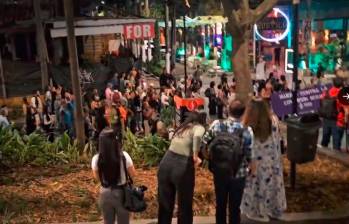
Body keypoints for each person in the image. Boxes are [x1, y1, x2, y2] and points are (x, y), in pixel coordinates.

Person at [202, 100, 254, 224]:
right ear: (243, 114)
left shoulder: (216, 125)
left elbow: (204, 143)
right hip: (238, 174)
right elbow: (250, 155)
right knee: (235, 208)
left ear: (228, 110)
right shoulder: (247, 131)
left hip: (219, 172)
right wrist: (250, 169)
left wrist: (209, 159)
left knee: (220, 205)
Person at [241, 98, 286, 222]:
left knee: (255, 187)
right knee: (272, 186)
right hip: (272, 162)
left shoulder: (247, 126)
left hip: (254, 163)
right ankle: (272, 210)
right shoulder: (274, 121)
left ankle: (258, 211)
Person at [157, 112, 206, 224]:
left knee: (165, 205)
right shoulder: (198, 127)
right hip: (182, 166)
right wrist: (195, 156)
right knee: (184, 206)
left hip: (165, 163)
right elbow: (198, 136)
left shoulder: (183, 127)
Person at [91, 127, 136, 224]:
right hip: (122, 193)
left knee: (108, 221)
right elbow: (133, 174)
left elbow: (97, 178)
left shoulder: (96, 159)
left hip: (105, 193)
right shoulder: (124, 156)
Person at [319, 77, 344, 150]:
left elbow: (321, 100)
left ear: (333, 83)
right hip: (338, 120)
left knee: (325, 139)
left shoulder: (326, 92)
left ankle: (323, 155)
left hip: (326, 118)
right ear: (342, 84)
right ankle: (336, 158)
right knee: (336, 142)